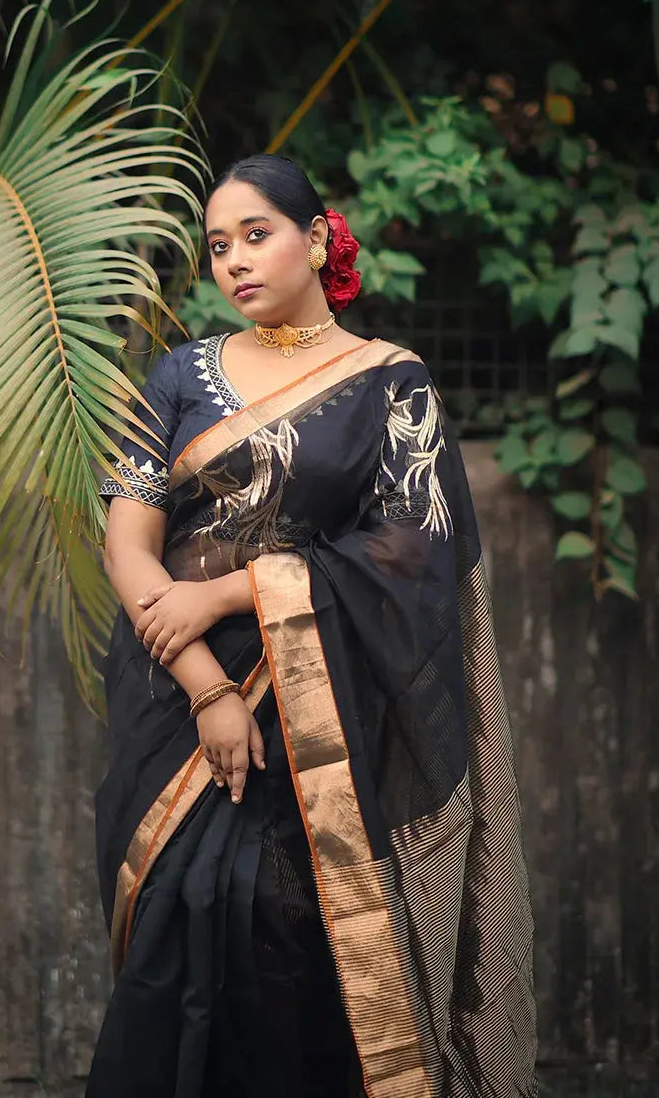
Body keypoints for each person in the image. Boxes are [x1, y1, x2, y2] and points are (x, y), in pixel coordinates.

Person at [87, 154, 537, 1098]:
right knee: (176, 913)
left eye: (257, 235)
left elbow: (412, 554)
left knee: (284, 935)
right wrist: (209, 687)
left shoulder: (388, 385)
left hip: (324, 719)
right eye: (218, 247)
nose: (236, 262)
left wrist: (226, 592)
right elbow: (128, 544)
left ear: (317, 238)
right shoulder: (177, 374)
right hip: (174, 701)